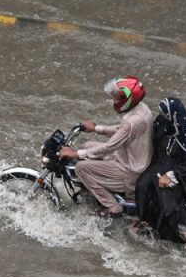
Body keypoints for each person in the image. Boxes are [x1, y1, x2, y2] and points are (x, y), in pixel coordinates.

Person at [59, 76, 154, 217]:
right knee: (88, 145)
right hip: (131, 158)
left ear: (128, 99)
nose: (115, 101)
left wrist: (76, 154)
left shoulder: (132, 123)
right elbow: (121, 131)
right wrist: (96, 128)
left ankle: (113, 207)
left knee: (81, 168)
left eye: (117, 98)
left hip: (129, 171)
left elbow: (109, 147)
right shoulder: (142, 109)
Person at [132, 97, 186, 251]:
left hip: (181, 170)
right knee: (143, 185)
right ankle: (146, 220)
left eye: (166, 114)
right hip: (161, 162)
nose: (163, 117)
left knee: (166, 194)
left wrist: (172, 176)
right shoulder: (163, 123)